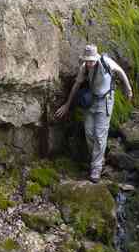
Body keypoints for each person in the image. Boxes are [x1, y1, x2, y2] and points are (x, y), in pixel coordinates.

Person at [54, 44, 133, 183]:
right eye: (87, 60)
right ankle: (99, 157)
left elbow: (120, 72)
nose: (89, 63)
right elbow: (76, 86)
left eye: (91, 60)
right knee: (89, 132)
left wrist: (128, 89)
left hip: (105, 100)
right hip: (92, 101)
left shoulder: (106, 62)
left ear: (96, 58)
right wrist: (67, 105)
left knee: (100, 134)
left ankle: (96, 168)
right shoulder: (84, 67)